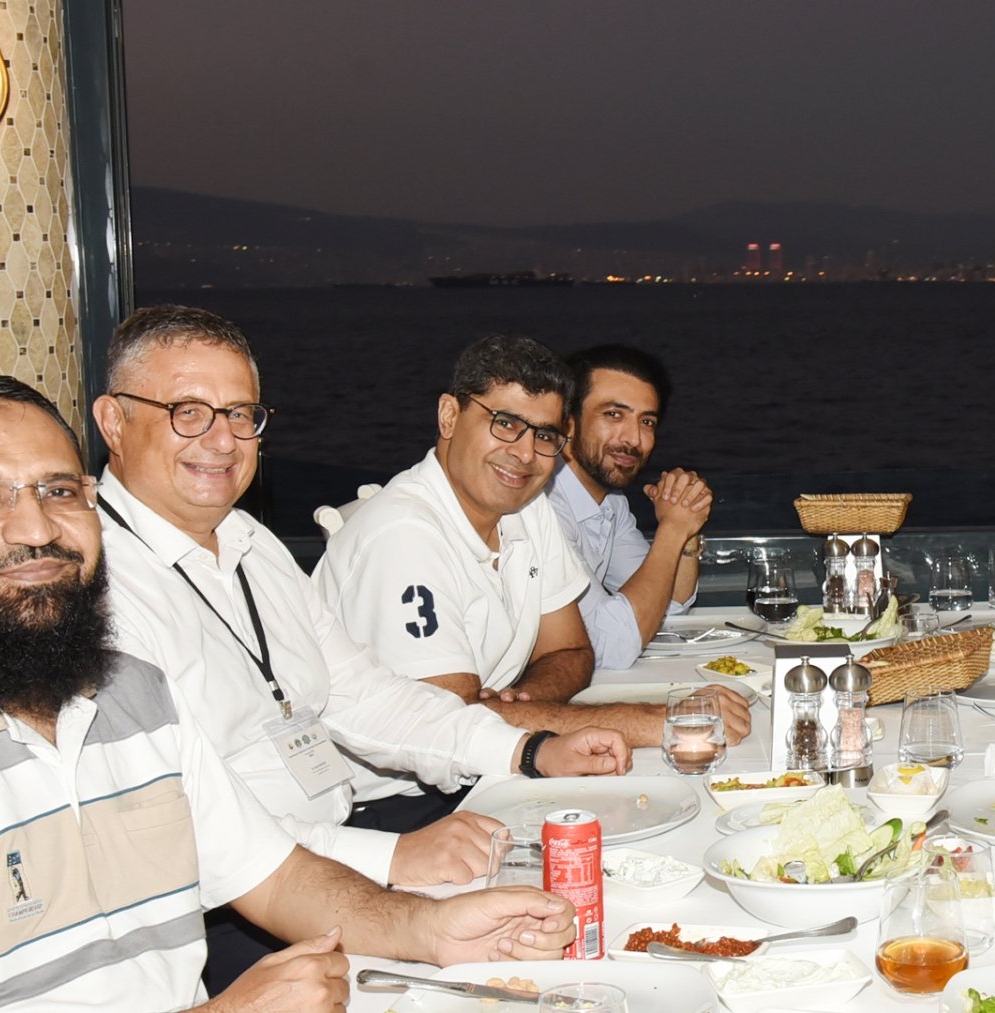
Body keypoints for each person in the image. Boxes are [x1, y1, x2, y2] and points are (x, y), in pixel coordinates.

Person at [0, 374, 577, 1012]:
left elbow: (276, 877)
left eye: (59, 491)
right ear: (114, 424)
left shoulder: (132, 695)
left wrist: (431, 930)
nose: (35, 527)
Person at [87, 306, 629, 992]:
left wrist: (527, 749)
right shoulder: (93, 594)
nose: (223, 440)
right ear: (113, 421)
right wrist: (392, 857)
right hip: (223, 920)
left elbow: (363, 694)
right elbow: (202, 835)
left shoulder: (255, 548)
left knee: (581, 914)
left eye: (241, 414)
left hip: (330, 859)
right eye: (188, 412)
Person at [316, 335, 751, 757]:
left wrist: (517, 702)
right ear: (448, 416)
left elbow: (571, 652)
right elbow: (446, 727)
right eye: (505, 423)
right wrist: (658, 721)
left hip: (484, 760)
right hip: (401, 794)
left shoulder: (527, 508)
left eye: (543, 435)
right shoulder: (405, 536)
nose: (525, 454)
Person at [543, 344, 712, 669]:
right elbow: (609, 647)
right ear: (567, 424)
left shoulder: (611, 504)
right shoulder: (543, 507)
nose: (634, 439)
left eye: (646, 421)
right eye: (613, 415)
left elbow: (669, 604)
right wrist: (673, 528)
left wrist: (687, 523)